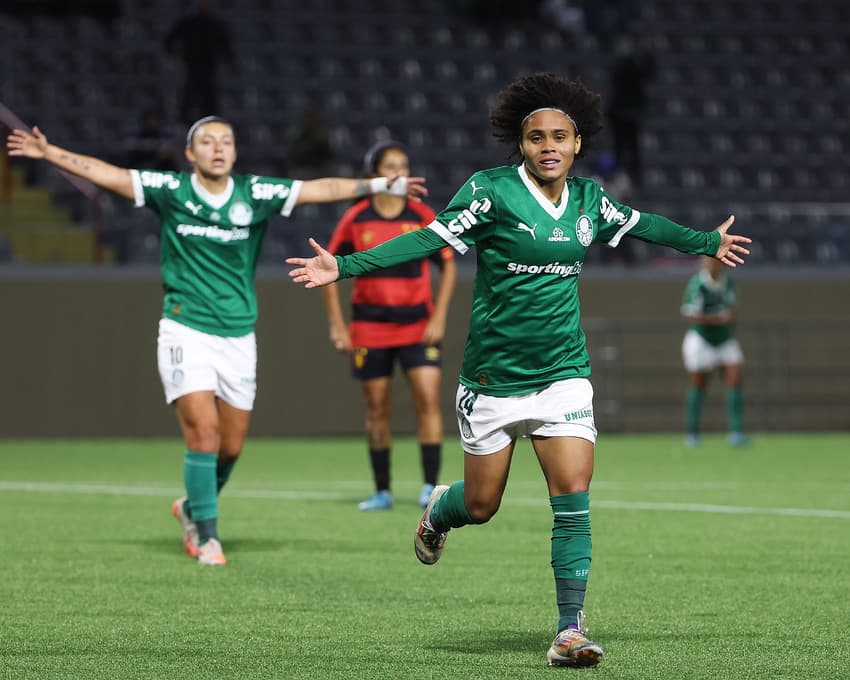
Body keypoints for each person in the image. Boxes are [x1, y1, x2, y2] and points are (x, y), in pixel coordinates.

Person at [286, 72, 750, 669]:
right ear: (522, 145)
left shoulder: (590, 201)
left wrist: (704, 240)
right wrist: (346, 267)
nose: (549, 146)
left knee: (574, 495)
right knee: (481, 505)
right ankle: (438, 512)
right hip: (493, 379)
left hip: (563, 374)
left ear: (577, 143)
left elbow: (646, 224)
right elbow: (427, 239)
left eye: (560, 136)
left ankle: (569, 631)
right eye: (537, 138)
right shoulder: (490, 191)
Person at [6, 116, 427, 567]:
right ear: (190, 154)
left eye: (226, 140)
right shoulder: (172, 191)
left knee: (231, 446)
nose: (218, 148)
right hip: (185, 327)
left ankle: (190, 506)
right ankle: (206, 534)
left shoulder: (254, 193)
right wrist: (49, 153)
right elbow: (110, 176)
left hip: (238, 334)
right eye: (206, 141)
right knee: (203, 435)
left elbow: (319, 188)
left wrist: (384, 185)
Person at [321, 141, 457, 512]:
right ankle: (382, 491)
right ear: (373, 176)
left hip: (418, 325)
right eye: (390, 166)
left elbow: (448, 266)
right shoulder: (356, 217)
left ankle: (431, 487)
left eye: (403, 165)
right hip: (370, 327)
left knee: (428, 401)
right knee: (377, 408)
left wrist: (440, 315)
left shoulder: (423, 213)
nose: (398, 172)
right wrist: (338, 325)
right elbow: (328, 268)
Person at [681, 255, 747, 447]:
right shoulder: (698, 284)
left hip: (724, 338)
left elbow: (732, 310)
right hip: (701, 339)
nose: (712, 265)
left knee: (735, 378)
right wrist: (717, 320)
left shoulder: (728, 284)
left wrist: (728, 323)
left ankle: (736, 431)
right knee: (699, 385)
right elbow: (690, 313)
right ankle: (692, 433)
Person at [164, 0, 233, 124]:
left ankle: (209, 123)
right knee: (188, 96)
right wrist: (176, 54)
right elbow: (169, 40)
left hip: (209, 66)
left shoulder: (215, 24)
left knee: (209, 98)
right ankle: (184, 124)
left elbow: (225, 45)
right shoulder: (187, 23)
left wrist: (228, 60)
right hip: (191, 65)